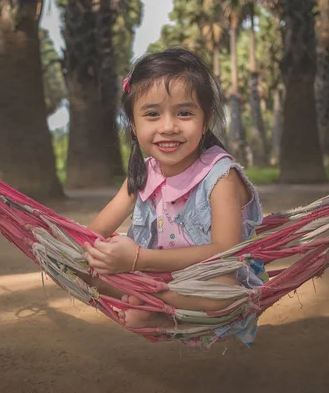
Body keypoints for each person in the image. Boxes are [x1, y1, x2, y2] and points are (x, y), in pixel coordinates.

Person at [82, 48, 265, 343]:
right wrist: (65, 247)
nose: (168, 127)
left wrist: (138, 259)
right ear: (132, 123)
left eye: (184, 113)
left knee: (225, 291)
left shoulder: (220, 176)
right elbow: (92, 234)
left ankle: (155, 305)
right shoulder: (142, 174)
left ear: (205, 122)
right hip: (153, 276)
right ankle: (152, 302)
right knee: (82, 270)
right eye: (152, 114)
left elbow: (225, 250)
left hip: (204, 280)